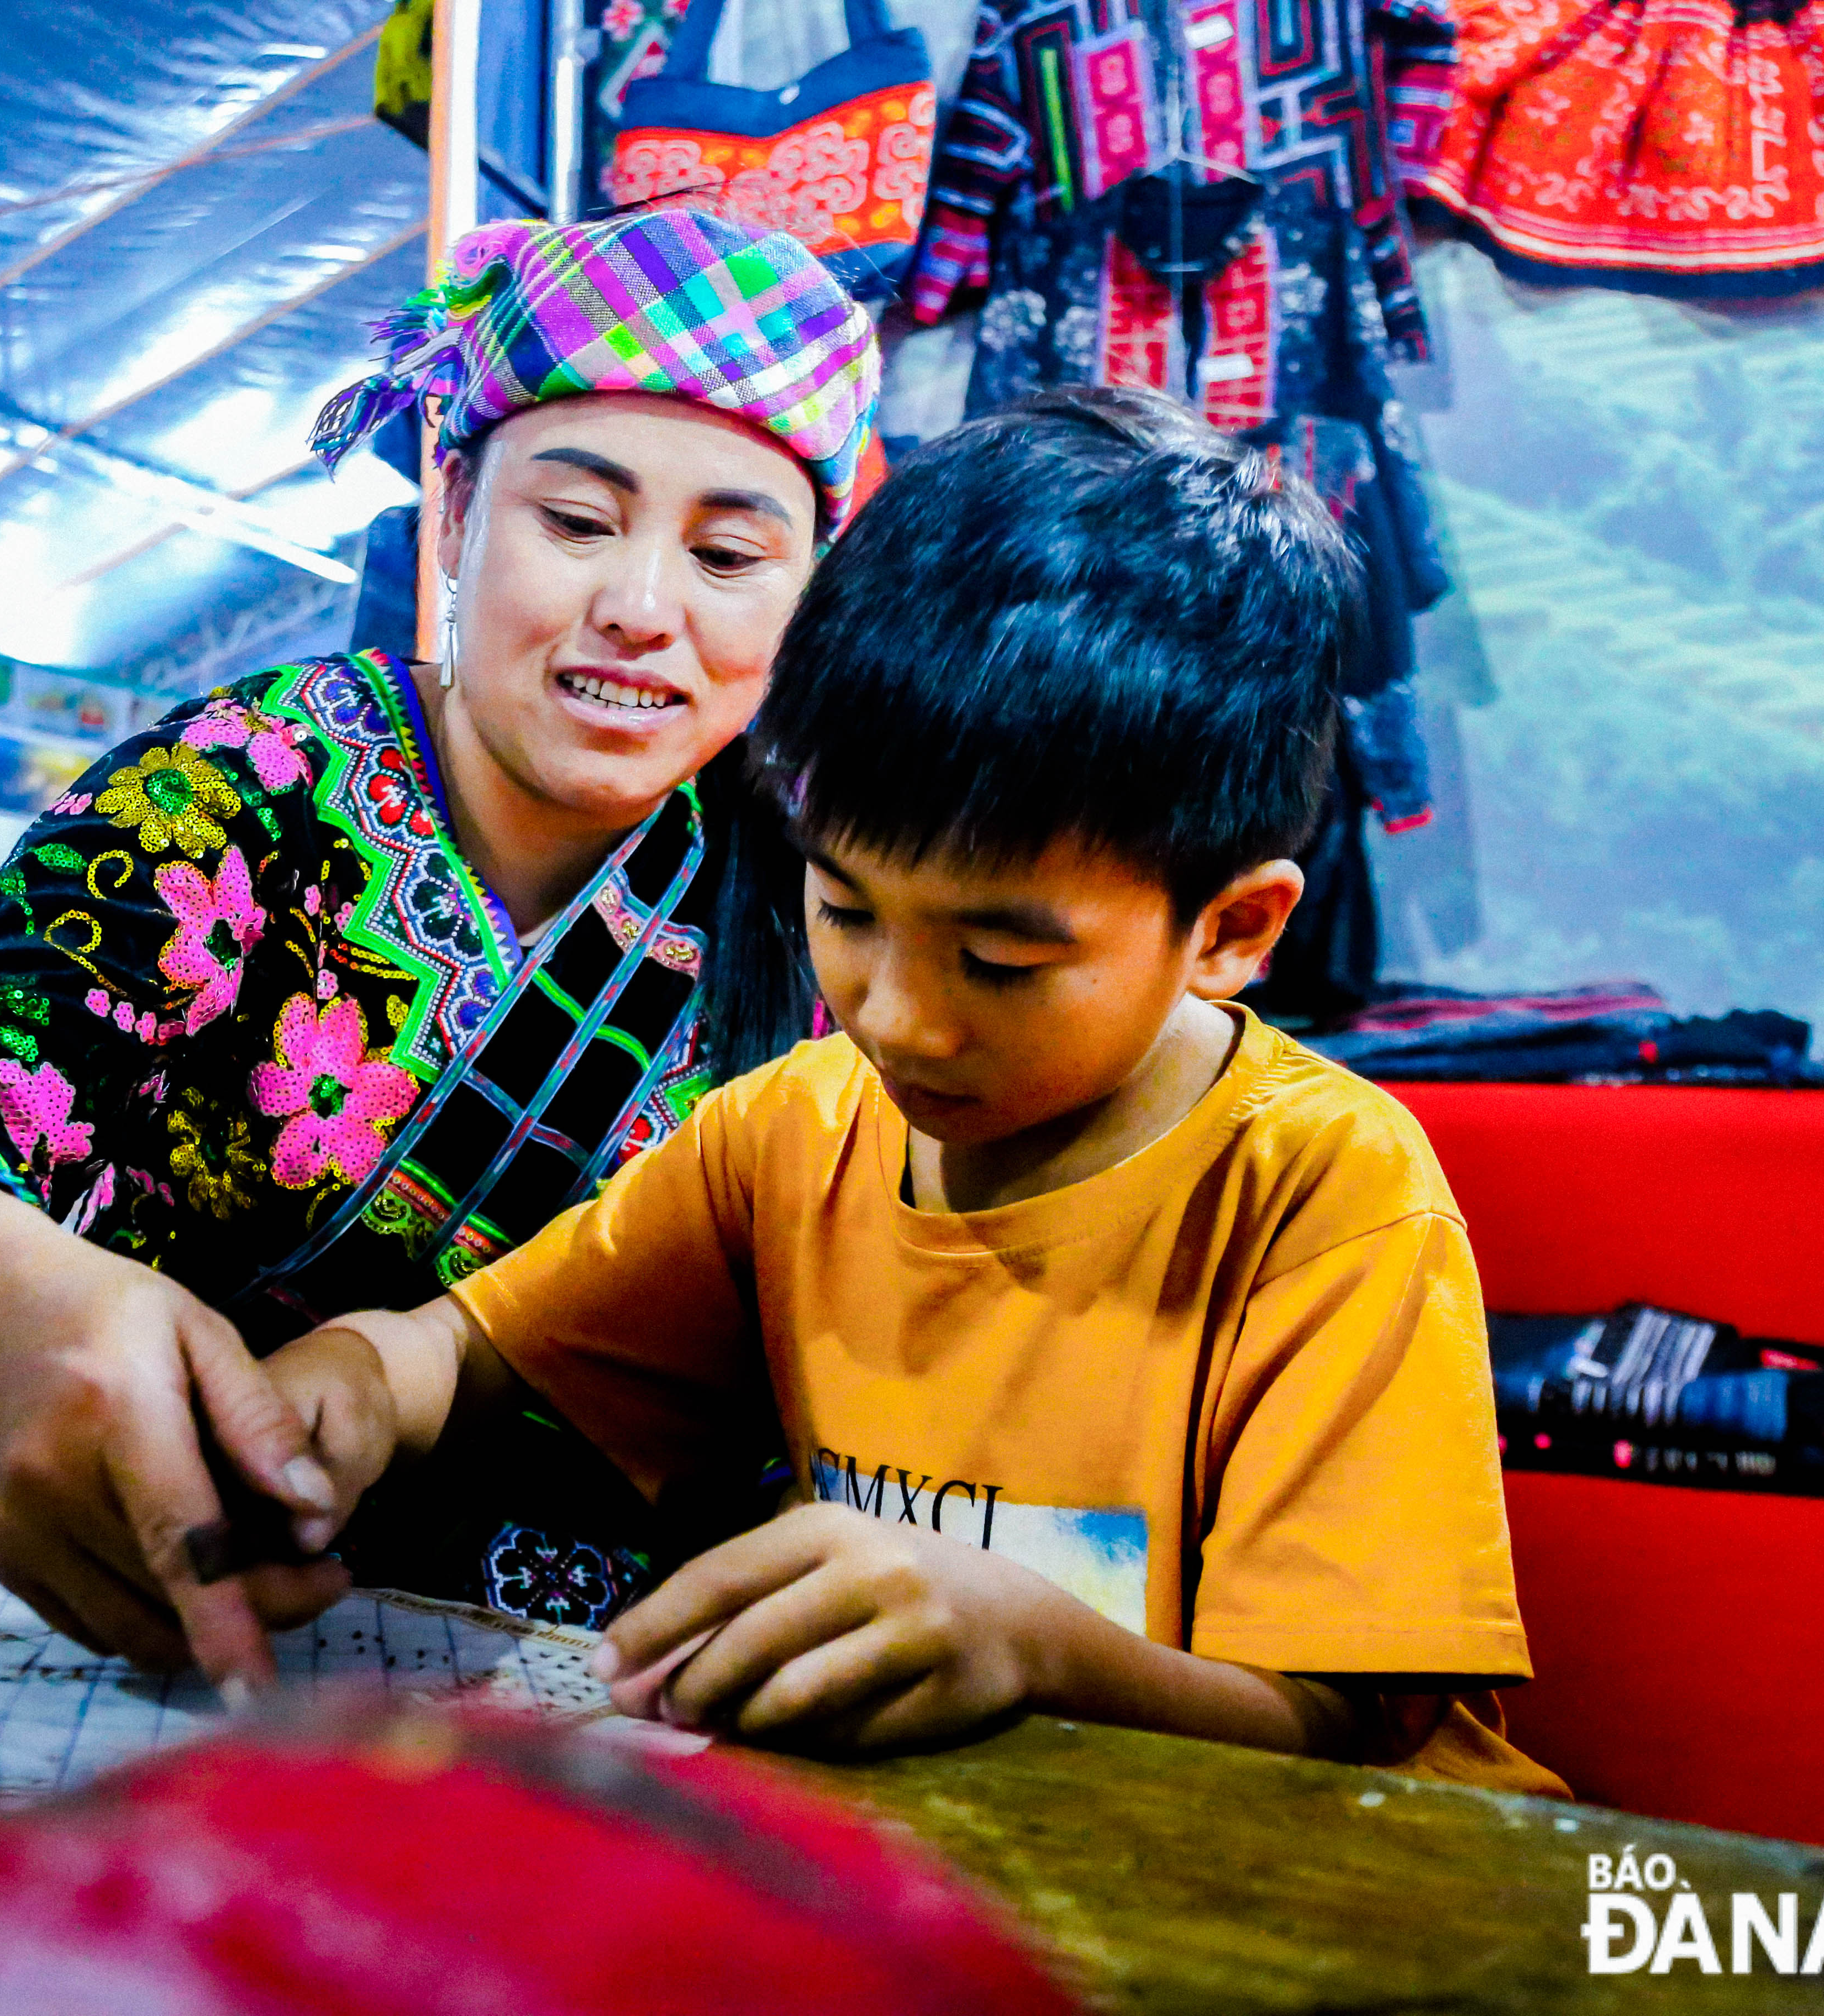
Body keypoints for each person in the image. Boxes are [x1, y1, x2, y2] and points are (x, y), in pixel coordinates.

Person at [248, 391, 1564, 1789]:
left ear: (1231, 932)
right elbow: (469, 1350)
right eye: (846, 908)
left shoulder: (1322, 1195)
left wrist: (1034, 1648)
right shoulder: (796, 1131)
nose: (894, 1014)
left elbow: (1348, 1735)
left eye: (999, 959)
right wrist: (350, 1385)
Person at [0, 207, 880, 1683]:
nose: (640, 610)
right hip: (167, 1643)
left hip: (630, 1696)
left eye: (731, 555)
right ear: (459, 515)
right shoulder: (256, 782)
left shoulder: (817, 895)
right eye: (581, 521)